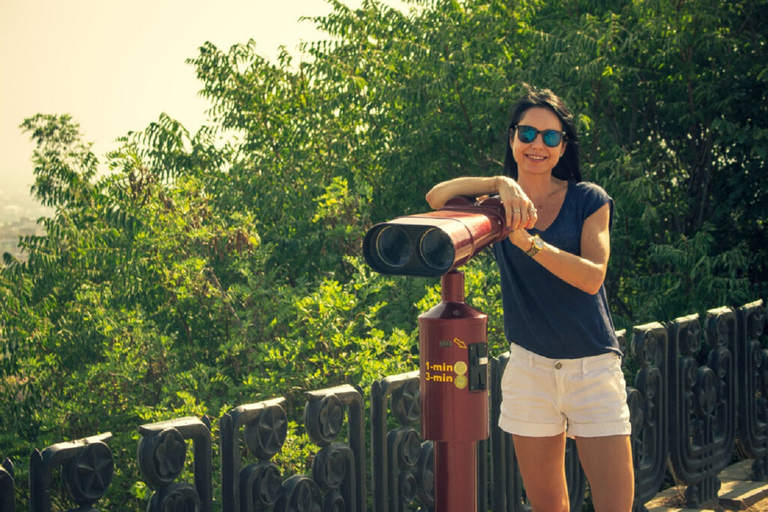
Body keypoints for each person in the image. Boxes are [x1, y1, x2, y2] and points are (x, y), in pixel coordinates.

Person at [425, 86, 634, 512]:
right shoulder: (494, 205)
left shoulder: (588, 199)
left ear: (562, 148)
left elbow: (592, 277)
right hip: (530, 371)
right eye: (527, 133)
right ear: (513, 138)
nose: (538, 144)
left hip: (592, 368)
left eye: (550, 137)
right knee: (547, 507)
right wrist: (500, 182)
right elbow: (436, 198)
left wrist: (528, 243)